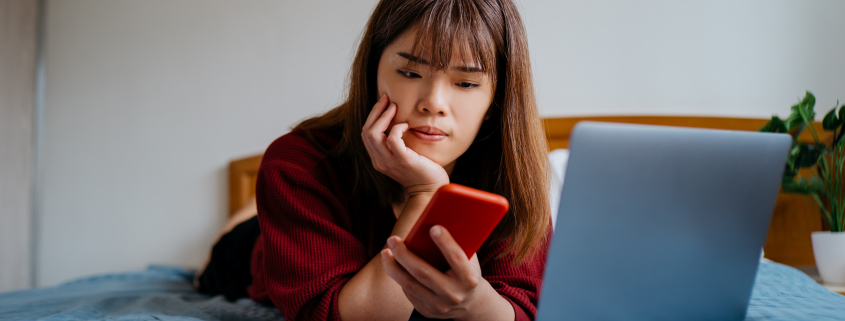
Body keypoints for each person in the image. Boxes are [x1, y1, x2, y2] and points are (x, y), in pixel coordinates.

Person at [197, 0, 552, 320]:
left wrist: (476, 304)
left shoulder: (513, 171)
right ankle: (245, 217)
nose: (433, 103)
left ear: (496, 99)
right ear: (373, 71)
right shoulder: (297, 163)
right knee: (229, 250)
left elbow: (521, 307)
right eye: (411, 73)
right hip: (254, 252)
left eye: (467, 83)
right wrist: (426, 192)